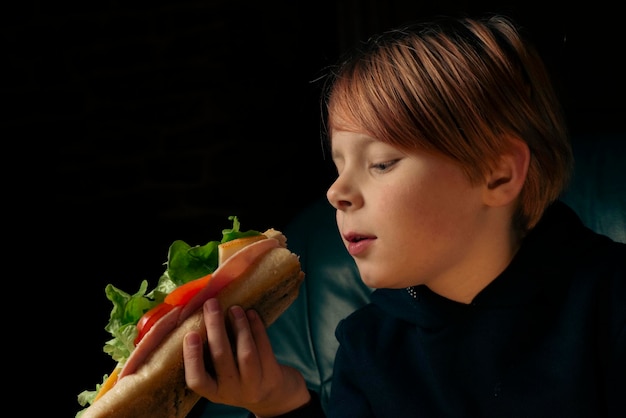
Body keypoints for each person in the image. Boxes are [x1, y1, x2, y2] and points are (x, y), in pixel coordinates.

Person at [182, 14, 626, 417]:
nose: (336, 192)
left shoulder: (610, 303)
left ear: (499, 174)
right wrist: (278, 403)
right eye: (338, 166)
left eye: (381, 163)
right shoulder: (369, 348)